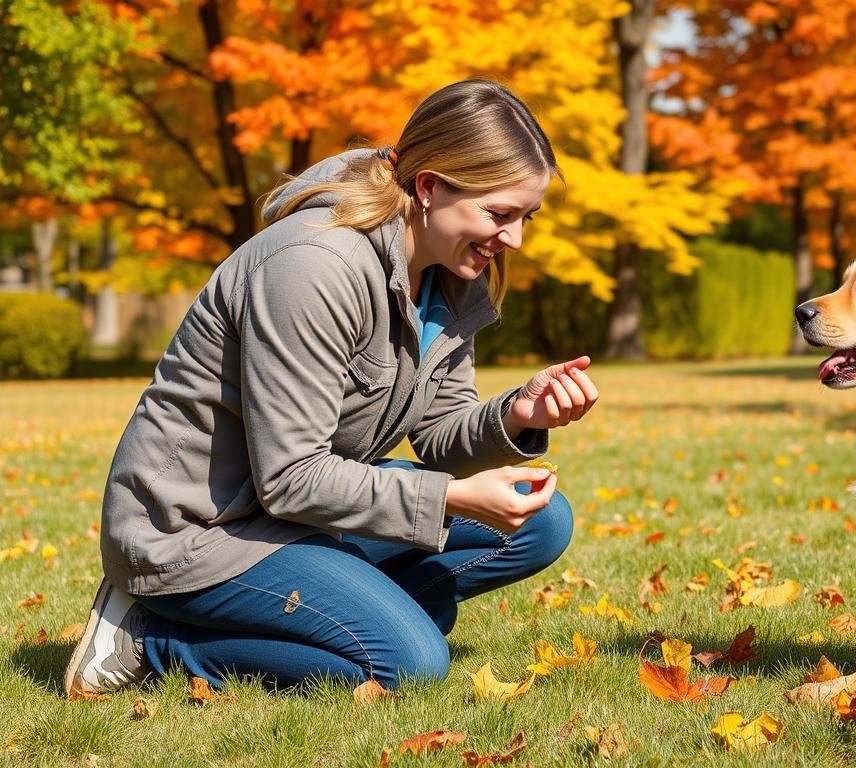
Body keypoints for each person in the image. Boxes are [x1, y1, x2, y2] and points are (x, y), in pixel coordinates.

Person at [63, 79, 596, 696]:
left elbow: (437, 436)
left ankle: (352, 615)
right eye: (499, 214)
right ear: (428, 188)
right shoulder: (315, 264)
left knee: (541, 520)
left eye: (524, 217)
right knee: (409, 664)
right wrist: (449, 500)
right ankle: (153, 637)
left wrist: (518, 414)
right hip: (201, 533)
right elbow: (291, 477)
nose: (515, 240)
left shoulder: (450, 275)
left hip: (297, 515)